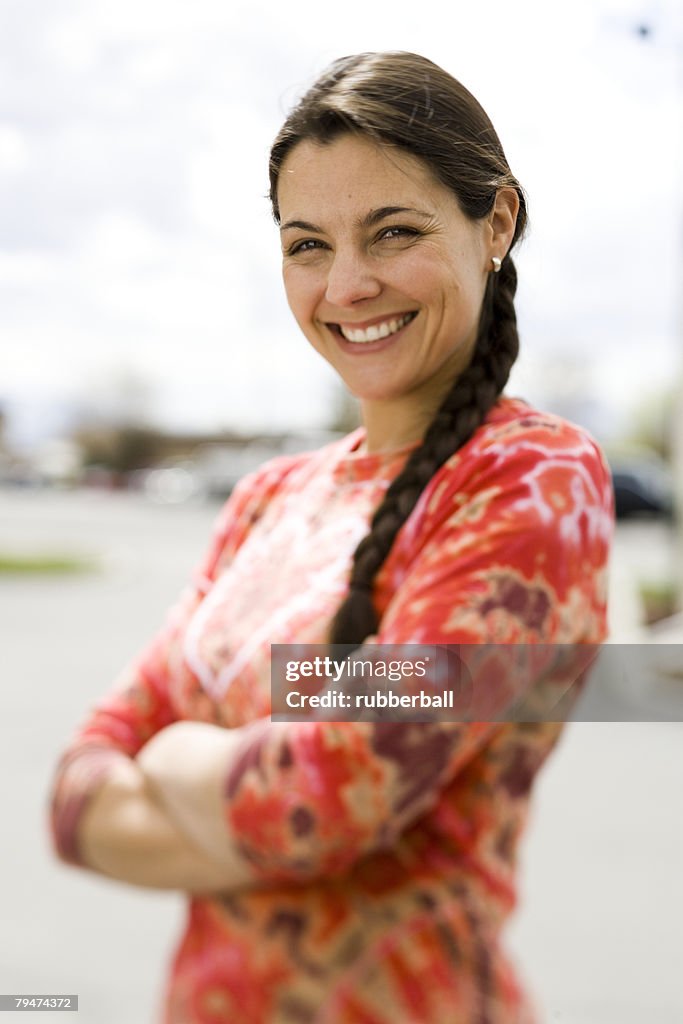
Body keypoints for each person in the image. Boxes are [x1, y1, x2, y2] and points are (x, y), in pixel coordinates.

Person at [49, 51, 614, 1023]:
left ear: (495, 222)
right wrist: (265, 782)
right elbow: (77, 789)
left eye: (391, 232)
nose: (345, 285)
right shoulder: (270, 495)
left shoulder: (526, 482)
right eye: (306, 244)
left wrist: (181, 754)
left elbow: (320, 796)